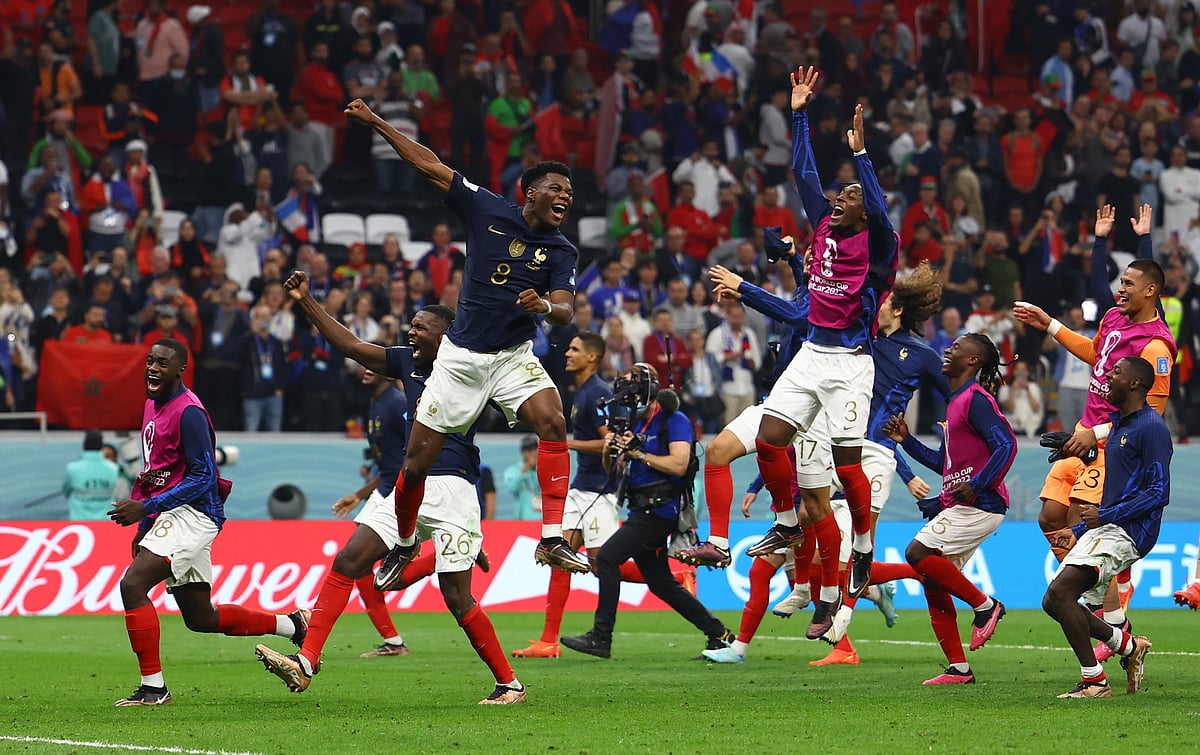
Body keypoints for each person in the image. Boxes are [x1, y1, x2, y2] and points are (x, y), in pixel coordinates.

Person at [336, 97, 589, 576]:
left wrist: (545, 307)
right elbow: (428, 165)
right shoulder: (486, 209)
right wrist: (375, 122)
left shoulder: (562, 249)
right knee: (413, 467)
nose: (566, 198)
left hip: (511, 358)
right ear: (530, 192)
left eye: (571, 195)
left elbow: (566, 310)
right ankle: (406, 542)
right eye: (557, 189)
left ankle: (551, 538)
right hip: (461, 359)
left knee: (553, 421)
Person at [254, 307, 520, 704]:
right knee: (348, 561)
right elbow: (350, 344)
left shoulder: (472, 369)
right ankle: (306, 662)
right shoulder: (403, 362)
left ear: (446, 335)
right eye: (409, 325)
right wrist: (307, 301)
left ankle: (509, 684)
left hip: (452, 488)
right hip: (407, 485)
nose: (409, 332)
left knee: (456, 596)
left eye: (420, 327)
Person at [748, 68, 898, 605]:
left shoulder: (881, 243)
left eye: (850, 196)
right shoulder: (825, 225)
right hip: (812, 353)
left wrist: (863, 157)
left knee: (846, 463)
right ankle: (787, 524)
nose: (839, 199)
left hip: (852, 362)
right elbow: (801, 171)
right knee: (769, 439)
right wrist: (799, 114)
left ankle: (861, 546)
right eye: (840, 194)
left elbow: (878, 208)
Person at [109, 338, 309, 707]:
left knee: (132, 585)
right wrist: (144, 523)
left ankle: (154, 689)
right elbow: (155, 471)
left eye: (162, 363)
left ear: (180, 369)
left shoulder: (189, 412)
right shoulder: (152, 405)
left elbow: (203, 476)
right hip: (171, 513)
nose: (153, 368)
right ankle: (294, 625)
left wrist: (147, 508)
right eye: (150, 361)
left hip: (194, 513)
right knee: (201, 617)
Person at [1013, 205, 1172, 643]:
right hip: (1082, 433)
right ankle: (1114, 614)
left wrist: (1095, 435)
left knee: (1085, 525)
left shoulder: (1157, 346)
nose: (1119, 290)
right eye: (1119, 282)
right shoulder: (1115, 319)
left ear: (1150, 291)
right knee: (1049, 517)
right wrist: (1050, 325)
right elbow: (1096, 354)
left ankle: (1109, 614)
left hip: (1108, 445)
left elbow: (1149, 418)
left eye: (1128, 285)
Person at [560, 364, 732, 660]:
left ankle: (601, 637)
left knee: (608, 559)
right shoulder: (639, 424)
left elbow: (679, 464)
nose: (627, 390)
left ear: (649, 387)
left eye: (633, 382)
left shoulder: (673, 420)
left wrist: (638, 453)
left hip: (660, 510)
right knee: (661, 583)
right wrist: (610, 449)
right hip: (642, 508)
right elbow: (613, 471)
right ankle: (719, 634)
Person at [883, 333, 1017, 685]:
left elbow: (1007, 445)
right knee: (932, 581)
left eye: (957, 348)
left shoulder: (976, 399)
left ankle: (986, 605)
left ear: (973, 361)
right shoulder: (955, 401)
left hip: (982, 503)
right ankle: (959, 669)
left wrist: (977, 485)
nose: (947, 350)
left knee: (917, 552)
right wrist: (907, 441)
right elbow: (946, 464)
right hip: (968, 501)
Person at [1042, 356, 1162, 698]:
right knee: (1053, 601)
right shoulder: (1121, 426)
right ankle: (1127, 646)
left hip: (1131, 531)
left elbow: (1159, 492)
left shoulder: (1151, 428)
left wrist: (1105, 518)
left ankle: (1094, 681)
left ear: (1135, 384)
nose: (1108, 376)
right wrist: (1079, 531)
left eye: (1117, 373)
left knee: (1063, 593)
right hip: (1108, 527)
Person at [512, 332, 616, 658]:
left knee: (603, 565)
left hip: (598, 492)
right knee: (561, 557)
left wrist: (565, 444)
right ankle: (548, 640)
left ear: (592, 358)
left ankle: (675, 574)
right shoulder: (582, 392)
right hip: (581, 489)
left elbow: (610, 442)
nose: (567, 353)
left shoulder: (597, 392)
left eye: (575, 349)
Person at [63, 428, 119, 520]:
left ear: (84, 444)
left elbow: (66, 491)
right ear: (101, 446)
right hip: (106, 522)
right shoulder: (113, 468)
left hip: (80, 521)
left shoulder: (72, 468)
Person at [503, 435, 542, 520]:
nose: (532, 453)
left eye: (535, 449)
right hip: (524, 518)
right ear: (522, 452)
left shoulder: (543, 468)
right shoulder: (514, 470)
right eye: (528, 450)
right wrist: (526, 468)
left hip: (542, 518)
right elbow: (512, 488)